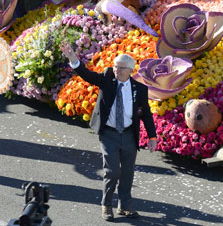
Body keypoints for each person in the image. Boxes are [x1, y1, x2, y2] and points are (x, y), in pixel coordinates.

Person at [60, 42, 157, 222]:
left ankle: (125, 206)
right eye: (115, 66)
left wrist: (152, 136)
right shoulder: (107, 78)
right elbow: (88, 75)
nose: (116, 70)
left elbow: (146, 114)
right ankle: (106, 205)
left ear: (130, 70)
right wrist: (73, 59)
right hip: (109, 134)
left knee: (128, 171)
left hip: (129, 134)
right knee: (112, 171)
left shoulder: (140, 89)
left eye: (120, 68)